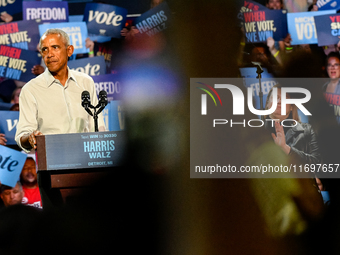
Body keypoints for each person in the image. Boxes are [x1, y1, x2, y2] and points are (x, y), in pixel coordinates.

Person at [15, 28, 105, 152]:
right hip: (52, 163)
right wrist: (30, 138)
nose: (49, 54)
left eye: (55, 47)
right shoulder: (30, 89)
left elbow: (98, 124)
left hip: (88, 160)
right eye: (44, 50)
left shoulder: (86, 82)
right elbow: (22, 135)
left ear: (69, 50)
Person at [264, 84, 321, 164]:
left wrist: (287, 149)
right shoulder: (255, 132)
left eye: (285, 98)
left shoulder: (307, 131)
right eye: (276, 97)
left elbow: (317, 163)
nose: (279, 101)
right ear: (267, 103)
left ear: (291, 106)